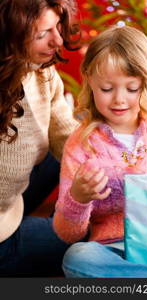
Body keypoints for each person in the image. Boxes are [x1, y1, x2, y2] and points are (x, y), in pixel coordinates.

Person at [53, 25, 147, 278]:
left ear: (146, 84)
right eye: (107, 89)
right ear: (90, 79)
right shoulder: (82, 143)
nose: (119, 100)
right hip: (112, 250)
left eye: (131, 88)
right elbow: (67, 234)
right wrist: (78, 198)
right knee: (78, 257)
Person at [0, 0, 80, 277]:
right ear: (10, 35)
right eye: (42, 33)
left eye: (57, 26)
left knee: (75, 151)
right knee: (88, 239)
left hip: (11, 198)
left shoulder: (42, 70)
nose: (57, 40)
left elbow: (68, 135)